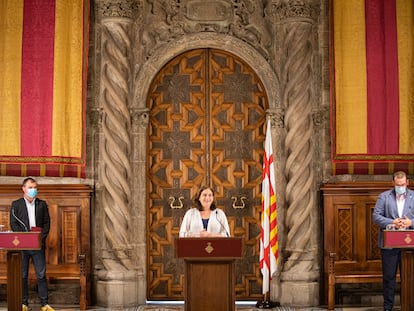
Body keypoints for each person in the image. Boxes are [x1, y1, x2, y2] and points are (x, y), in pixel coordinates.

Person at [9, 177, 55, 311]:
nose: (33, 190)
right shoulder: (16, 205)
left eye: (35, 187)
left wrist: (40, 239)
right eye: (30, 187)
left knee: (41, 274)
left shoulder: (42, 204)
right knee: (22, 275)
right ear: (23, 189)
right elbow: (14, 223)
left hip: (37, 245)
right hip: (22, 246)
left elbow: (47, 223)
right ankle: (23, 303)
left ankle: (44, 304)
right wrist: (24, 238)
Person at [372, 171, 414, 311]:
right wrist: (392, 222)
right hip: (389, 245)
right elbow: (376, 217)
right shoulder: (384, 197)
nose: (400, 187)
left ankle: (409, 306)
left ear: (407, 183)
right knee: (389, 278)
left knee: (410, 278)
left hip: (410, 246)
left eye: (402, 184)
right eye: (397, 185)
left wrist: (410, 222)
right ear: (393, 183)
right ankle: (388, 307)